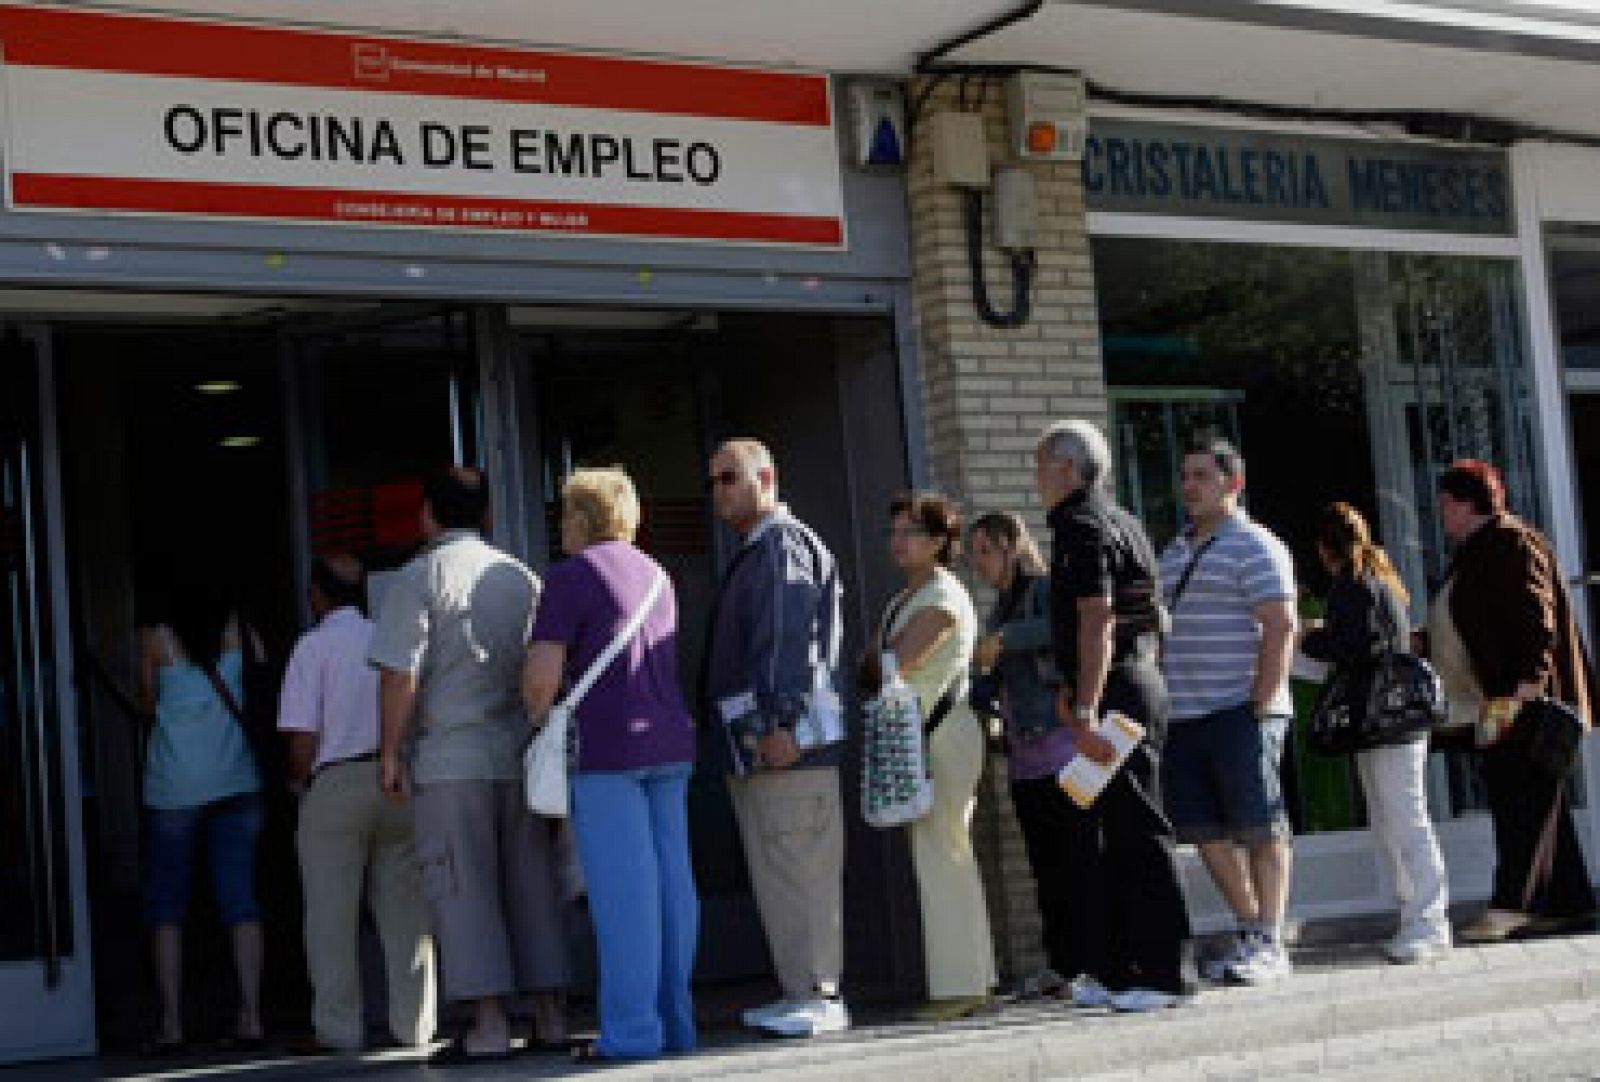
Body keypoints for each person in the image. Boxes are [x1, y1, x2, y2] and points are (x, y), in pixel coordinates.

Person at [371, 467, 568, 1062]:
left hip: (451, 758)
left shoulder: (419, 576)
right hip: (519, 758)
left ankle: (487, 1024)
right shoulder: (519, 577)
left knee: (463, 888)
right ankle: (552, 1015)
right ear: (488, 517)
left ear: (426, 514)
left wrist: (388, 752)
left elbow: (399, 674)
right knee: (532, 883)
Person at [522, 467, 698, 1062]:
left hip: (605, 751)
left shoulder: (570, 577)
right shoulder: (659, 576)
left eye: (565, 513)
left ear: (580, 517)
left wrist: (533, 713)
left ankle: (631, 1033)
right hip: (669, 744)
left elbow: (543, 679)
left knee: (625, 897)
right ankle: (677, 1025)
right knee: (674, 891)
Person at [1035, 420, 1194, 1011]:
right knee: (1104, 832)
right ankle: (1117, 969)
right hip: (1133, 680)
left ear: (1067, 469)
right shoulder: (1123, 519)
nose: (1036, 480)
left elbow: (1097, 619)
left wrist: (1085, 704)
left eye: (1040, 466)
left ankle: (1162, 973)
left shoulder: (1081, 524)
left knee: (1138, 829)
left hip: (1118, 688)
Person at [702, 438, 849, 1039]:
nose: (719, 490)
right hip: (767, 750)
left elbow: (789, 639)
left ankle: (818, 994)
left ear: (767, 476)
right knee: (780, 871)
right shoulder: (760, 549)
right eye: (713, 480)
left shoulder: (782, 545)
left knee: (800, 868)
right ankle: (798, 991)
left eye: (730, 477)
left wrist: (780, 725)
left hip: (788, 747)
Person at [1428, 460, 1595, 943]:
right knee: (1539, 800)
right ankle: (1571, 902)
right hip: (1497, 697)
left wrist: (1528, 683)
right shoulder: (1477, 549)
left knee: (1520, 797)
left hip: (1520, 700)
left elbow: (1535, 615)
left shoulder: (1510, 542)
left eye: (1445, 504)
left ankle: (1509, 906)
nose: (1441, 514)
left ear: (1466, 503)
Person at [277, 555, 436, 1054]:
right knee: (406, 914)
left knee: (330, 915)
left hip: (336, 784)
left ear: (316, 596)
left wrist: (298, 781)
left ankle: (338, 1030)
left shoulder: (312, 647)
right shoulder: (385, 637)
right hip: (396, 779)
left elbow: (302, 735)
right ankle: (415, 1027)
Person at [1158, 437, 1298, 985]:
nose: (1189, 486)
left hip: (1241, 709)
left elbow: (1281, 626)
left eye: (1201, 476)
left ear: (1232, 484)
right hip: (1185, 714)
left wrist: (1261, 701)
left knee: (1261, 827)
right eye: (1185, 476)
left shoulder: (1256, 545)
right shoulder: (1175, 550)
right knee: (1204, 829)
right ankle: (1250, 931)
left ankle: (1271, 939)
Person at [1300, 503, 1450, 964]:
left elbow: (1357, 646)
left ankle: (1427, 920)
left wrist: (1310, 638)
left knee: (1401, 818)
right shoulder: (1377, 577)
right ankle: (1417, 917)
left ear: (1327, 549)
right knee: (1397, 817)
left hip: (1384, 721)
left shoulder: (1354, 584)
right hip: (1394, 719)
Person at [136, 570, 266, 1054]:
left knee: (167, 907)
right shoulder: (238, 630)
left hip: (174, 789)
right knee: (241, 901)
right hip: (238, 781)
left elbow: (147, 705)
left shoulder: (154, 639)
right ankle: (251, 1015)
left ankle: (171, 1024)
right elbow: (263, 684)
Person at [877, 492, 997, 1012]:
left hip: (943, 734)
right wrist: (884, 654)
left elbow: (891, 664)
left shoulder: (944, 597)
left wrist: (885, 654)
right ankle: (975, 977)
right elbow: (874, 664)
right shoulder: (905, 599)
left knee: (942, 854)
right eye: (895, 532)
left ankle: (960, 986)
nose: (899, 542)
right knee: (945, 852)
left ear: (939, 543)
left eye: (912, 533)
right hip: (919, 735)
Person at [969, 511, 1073, 998]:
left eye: (985, 551)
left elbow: (1062, 628)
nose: (978, 563)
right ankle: (1062, 962)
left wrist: (1005, 641)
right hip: (1022, 748)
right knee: (1045, 864)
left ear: (1012, 545)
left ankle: (1088, 963)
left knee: (1075, 858)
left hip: (1058, 743)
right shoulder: (1001, 603)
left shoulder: (1042, 588)